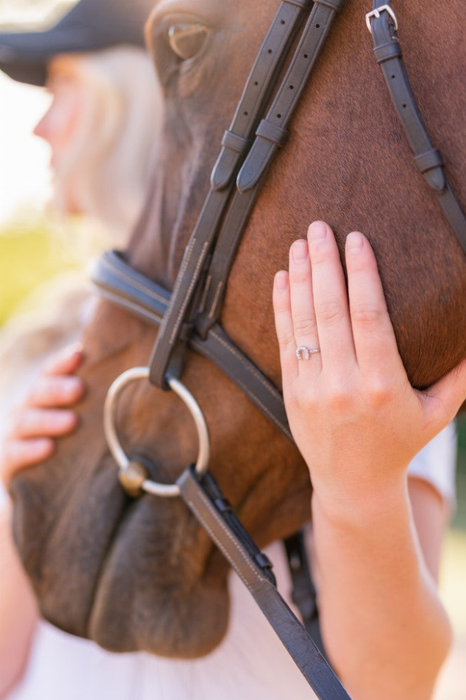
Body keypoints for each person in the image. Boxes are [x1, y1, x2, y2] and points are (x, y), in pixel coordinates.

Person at [2, 221, 463, 700]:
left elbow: (399, 688)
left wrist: (362, 489)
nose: (40, 138)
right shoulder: (47, 337)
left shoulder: (365, 368)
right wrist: (26, 499)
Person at [0, 0, 162, 696]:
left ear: (125, 103)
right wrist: (18, 497)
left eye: (61, 87)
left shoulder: (299, 330)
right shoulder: (42, 333)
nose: (38, 126)